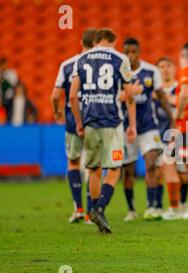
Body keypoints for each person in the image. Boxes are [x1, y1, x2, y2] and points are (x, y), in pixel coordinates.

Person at [69, 28, 138, 234]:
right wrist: (132, 124)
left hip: (89, 122)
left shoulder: (81, 59)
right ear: (112, 41)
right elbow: (129, 94)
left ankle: (93, 209)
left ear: (96, 41)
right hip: (112, 123)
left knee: (94, 169)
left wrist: (79, 123)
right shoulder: (119, 59)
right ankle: (99, 208)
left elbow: (72, 95)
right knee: (115, 168)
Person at [120, 37, 172, 222]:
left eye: (134, 52)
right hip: (126, 129)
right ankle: (131, 209)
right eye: (127, 52)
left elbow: (161, 95)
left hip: (149, 126)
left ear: (139, 52)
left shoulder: (151, 71)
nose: (130, 56)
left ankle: (151, 207)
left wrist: (172, 117)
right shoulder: (119, 72)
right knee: (128, 170)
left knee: (151, 164)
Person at [51, 28, 96, 224]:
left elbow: (55, 95)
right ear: (97, 43)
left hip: (72, 121)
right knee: (93, 166)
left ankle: (78, 208)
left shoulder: (68, 65)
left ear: (81, 41)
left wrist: (57, 111)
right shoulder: (102, 64)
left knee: (73, 162)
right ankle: (90, 213)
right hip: (95, 121)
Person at [161, 43, 188, 221]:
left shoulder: (186, 72)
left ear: (183, 56)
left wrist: (176, 116)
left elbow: (185, 95)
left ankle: (183, 208)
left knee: (172, 163)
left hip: (184, 124)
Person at [154, 57, 188, 212]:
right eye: (161, 66)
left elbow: (185, 104)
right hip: (158, 135)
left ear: (174, 69)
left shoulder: (180, 87)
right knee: (159, 172)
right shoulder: (155, 90)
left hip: (179, 136)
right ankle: (159, 205)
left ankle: (182, 203)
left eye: (168, 66)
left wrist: (165, 98)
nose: (165, 69)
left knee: (182, 172)